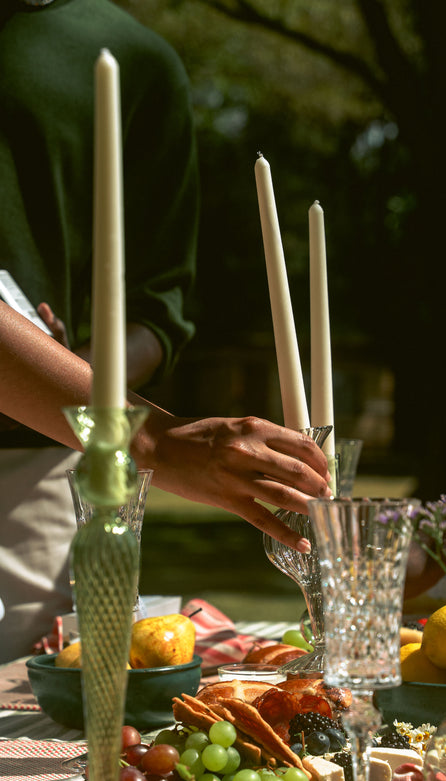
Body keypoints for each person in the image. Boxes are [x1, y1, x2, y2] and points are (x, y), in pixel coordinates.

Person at [0, 0, 330, 660]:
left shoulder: (130, 57)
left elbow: (159, 305)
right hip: (94, 429)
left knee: (30, 690)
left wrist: (66, 377)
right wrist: (151, 441)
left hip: (37, 455)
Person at [0, 302, 330, 659]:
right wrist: (151, 441)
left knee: (35, 649)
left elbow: (158, 313)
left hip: (59, 441)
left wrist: (57, 366)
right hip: (83, 435)